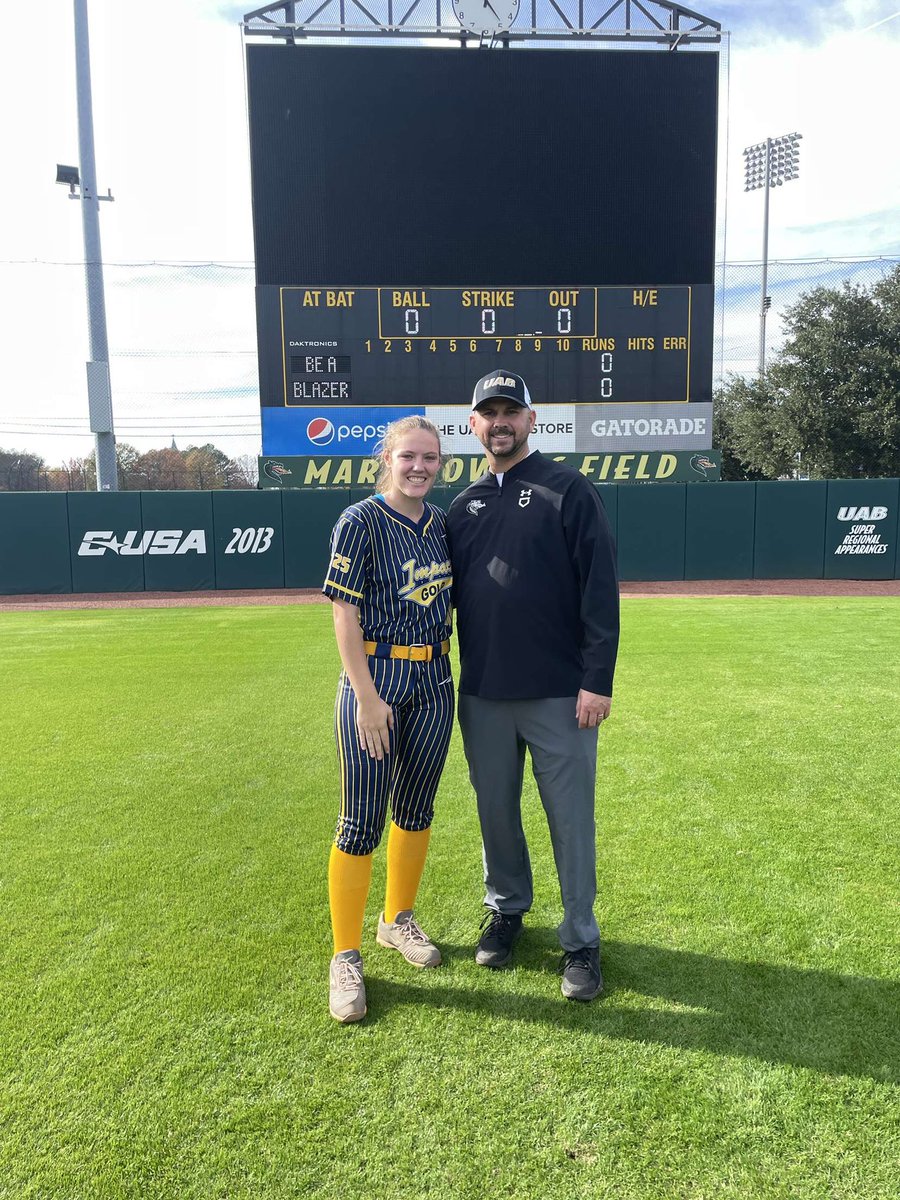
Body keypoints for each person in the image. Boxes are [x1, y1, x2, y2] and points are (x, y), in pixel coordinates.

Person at [446, 370, 619, 1002]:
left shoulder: (568, 489)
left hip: (559, 695)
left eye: (510, 411)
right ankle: (507, 910)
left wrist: (596, 680)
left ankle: (580, 940)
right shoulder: (461, 508)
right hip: (484, 695)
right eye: (488, 412)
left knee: (570, 821)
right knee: (496, 816)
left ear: (531, 419)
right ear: (473, 425)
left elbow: (600, 590)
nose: (500, 422)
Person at [322, 416, 454, 1023]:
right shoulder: (361, 520)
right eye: (409, 457)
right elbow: (344, 617)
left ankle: (396, 919)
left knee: (417, 808)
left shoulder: (440, 526)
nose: (420, 467)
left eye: (430, 457)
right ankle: (345, 955)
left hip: (433, 679)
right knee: (361, 821)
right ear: (388, 459)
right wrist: (366, 696)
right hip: (375, 680)